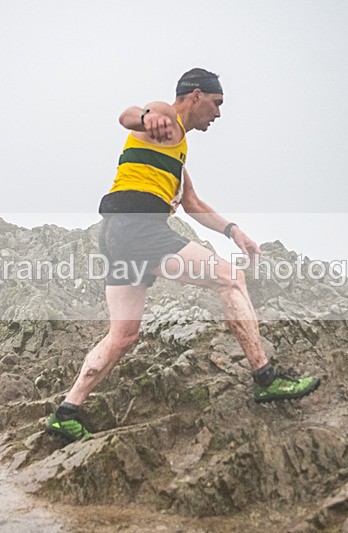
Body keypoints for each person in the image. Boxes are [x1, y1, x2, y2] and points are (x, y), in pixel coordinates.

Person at [46, 68, 320, 442]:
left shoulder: (176, 151)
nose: (219, 114)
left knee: (123, 334)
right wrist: (147, 117)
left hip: (115, 233)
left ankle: (67, 411)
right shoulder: (166, 116)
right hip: (137, 226)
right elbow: (126, 115)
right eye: (216, 103)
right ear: (195, 96)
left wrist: (233, 231)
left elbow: (191, 202)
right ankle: (265, 377)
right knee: (230, 277)